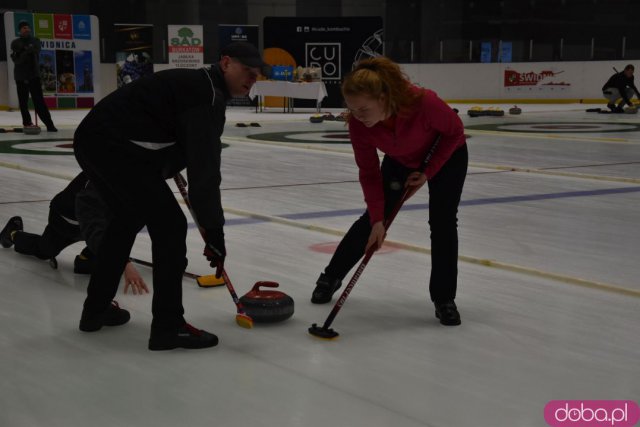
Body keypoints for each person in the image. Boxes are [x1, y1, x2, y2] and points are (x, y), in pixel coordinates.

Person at [72, 41, 269, 350]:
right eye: (247, 71)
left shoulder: (198, 87)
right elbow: (204, 173)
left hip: (95, 140)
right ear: (226, 62)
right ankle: (168, 327)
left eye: (257, 76)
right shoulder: (206, 96)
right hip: (114, 146)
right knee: (171, 228)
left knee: (124, 220)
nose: (251, 80)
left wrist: (169, 159)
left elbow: (163, 132)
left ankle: (95, 311)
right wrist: (214, 232)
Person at [311, 57, 468, 326]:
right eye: (352, 110)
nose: (357, 117)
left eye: (363, 109)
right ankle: (331, 275)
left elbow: (455, 133)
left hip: (446, 156)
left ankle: (444, 298)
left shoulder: (423, 103)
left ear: (384, 98)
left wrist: (428, 172)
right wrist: (377, 220)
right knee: (372, 220)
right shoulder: (359, 125)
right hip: (401, 160)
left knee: (442, 223)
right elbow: (369, 173)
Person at [0, 172, 149, 295]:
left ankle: (86, 259)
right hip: (67, 222)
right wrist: (123, 262)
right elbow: (94, 226)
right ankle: (12, 233)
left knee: (133, 219)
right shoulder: (101, 176)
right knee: (45, 250)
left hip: (95, 222)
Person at [9, 21, 57, 131]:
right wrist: (27, 51)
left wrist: (23, 51)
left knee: (39, 101)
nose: (27, 29)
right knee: (23, 102)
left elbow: (36, 50)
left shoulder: (35, 40)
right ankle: (27, 123)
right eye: (24, 28)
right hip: (20, 77)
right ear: (20, 30)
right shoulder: (15, 42)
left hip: (34, 75)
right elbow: (17, 60)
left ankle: (49, 124)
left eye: (28, 28)